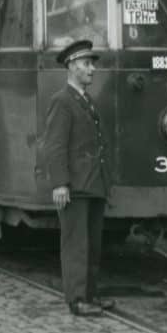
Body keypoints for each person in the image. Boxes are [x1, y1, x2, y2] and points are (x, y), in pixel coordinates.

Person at [39, 40, 113, 317]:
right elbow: (54, 145)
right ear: (71, 66)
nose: (91, 69)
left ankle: (90, 294)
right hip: (76, 185)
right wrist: (60, 183)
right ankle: (77, 298)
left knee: (92, 244)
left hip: (92, 183)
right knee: (76, 245)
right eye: (86, 64)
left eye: (92, 64)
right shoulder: (62, 101)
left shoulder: (84, 100)